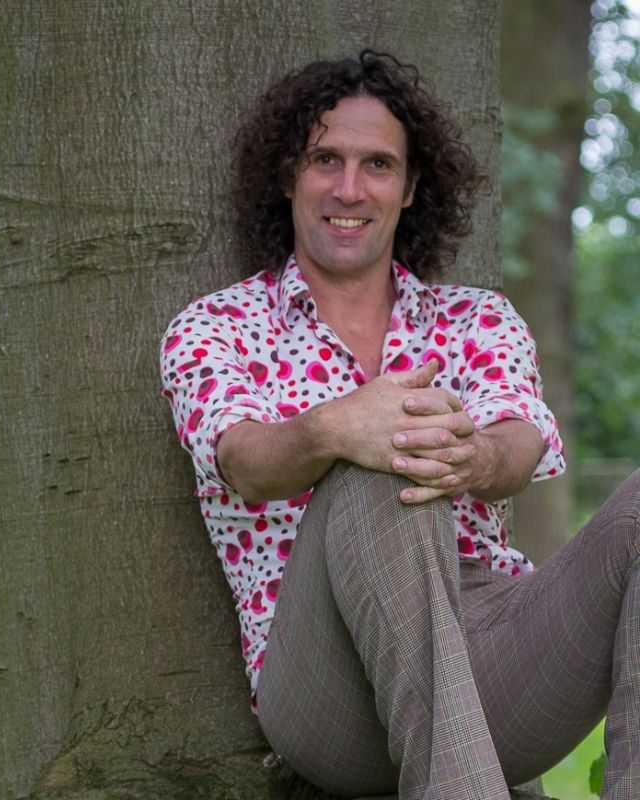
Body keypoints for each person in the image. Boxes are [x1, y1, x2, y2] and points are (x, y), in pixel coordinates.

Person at [160, 51, 640, 799]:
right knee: (380, 462)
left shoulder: (477, 318)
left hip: (493, 646)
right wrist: (333, 431)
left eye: (378, 165)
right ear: (288, 175)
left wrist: (474, 458)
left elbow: (520, 438)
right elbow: (244, 460)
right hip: (325, 683)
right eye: (326, 159)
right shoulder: (216, 327)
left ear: (411, 186)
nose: (349, 189)